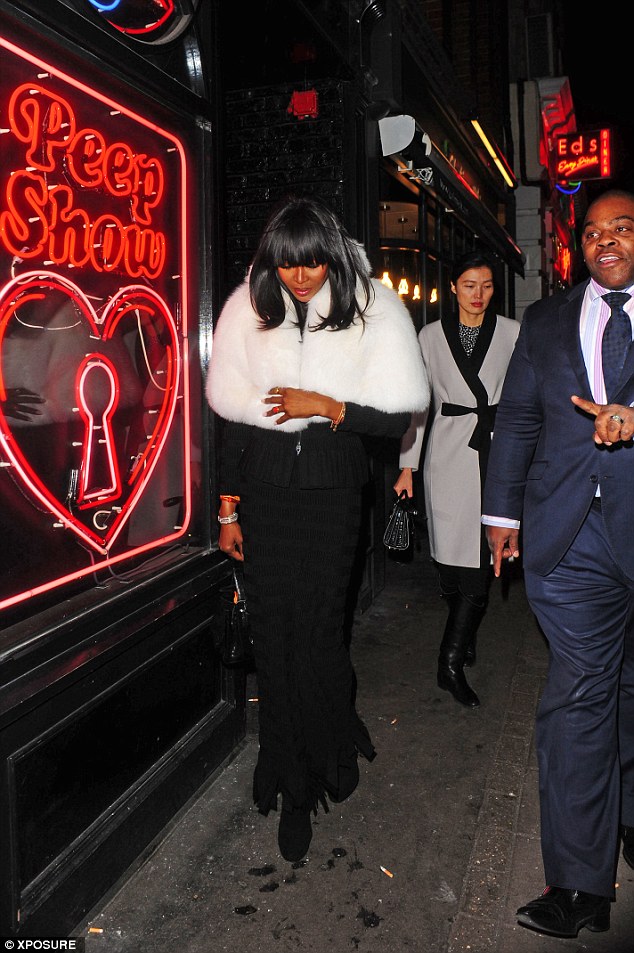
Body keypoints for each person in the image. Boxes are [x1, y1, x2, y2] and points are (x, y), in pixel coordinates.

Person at [206, 194, 429, 863]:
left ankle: (331, 740)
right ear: (272, 262)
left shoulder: (372, 309)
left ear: (330, 255)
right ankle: (289, 779)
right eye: (287, 263)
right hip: (267, 499)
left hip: (332, 500)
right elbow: (234, 421)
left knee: (322, 634)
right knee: (276, 639)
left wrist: (328, 406)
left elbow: (397, 416)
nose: (300, 276)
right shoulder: (248, 310)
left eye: (311, 262)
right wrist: (227, 509)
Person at [483, 188, 634, 939]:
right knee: (581, 694)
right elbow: (516, 419)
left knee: (627, 688)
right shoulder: (544, 322)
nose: (607, 240)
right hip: (570, 537)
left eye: (623, 228)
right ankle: (580, 881)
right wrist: (501, 515)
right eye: (595, 231)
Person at [394, 251, 519, 708]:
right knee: (449, 562)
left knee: (481, 563)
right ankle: (463, 632)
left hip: (495, 455)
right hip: (447, 456)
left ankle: (448, 664)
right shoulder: (430, 336)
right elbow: (419, 403)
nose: (478, 294)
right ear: (453, 287)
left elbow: (523, 400)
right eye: (469, 285)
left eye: (486, 285)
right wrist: (407, 465)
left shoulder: (512, 333)